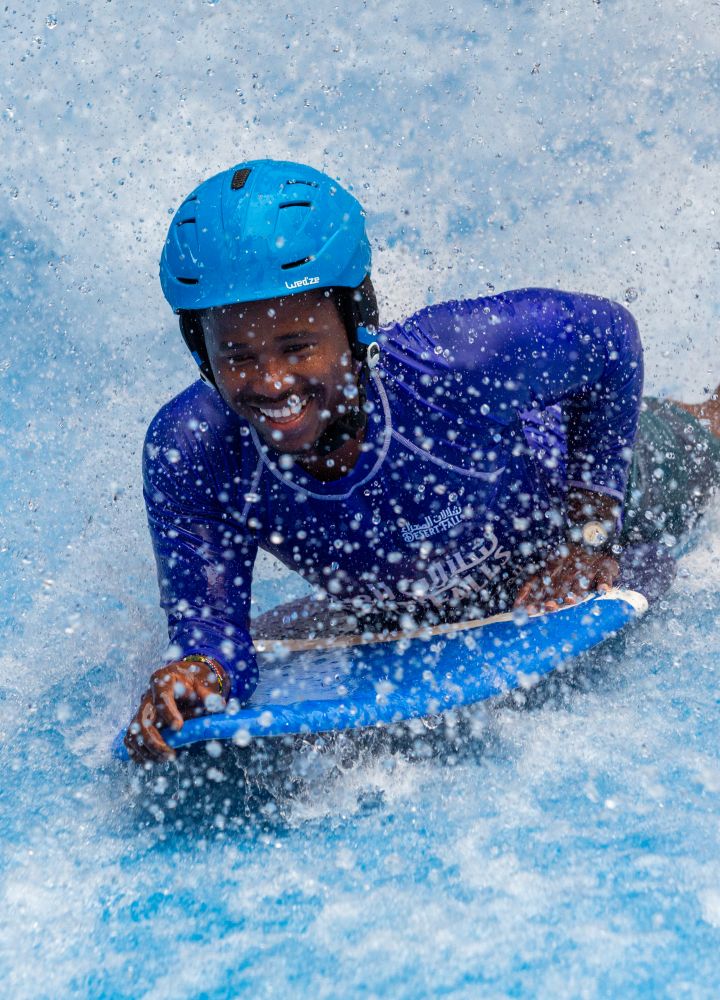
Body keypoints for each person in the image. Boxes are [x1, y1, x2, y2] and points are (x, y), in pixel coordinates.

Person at [124, 159, 720, 763]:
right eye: (239, 355)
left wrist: (590, 535)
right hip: (415, 604)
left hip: (601, 481)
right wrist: (198, 673)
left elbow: (611, 338)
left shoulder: (457, 361)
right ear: (202, 353)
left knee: (711, 433)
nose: (273, 382)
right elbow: (212, 631)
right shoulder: (192, 451)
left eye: (298, 346)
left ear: (357, 324)